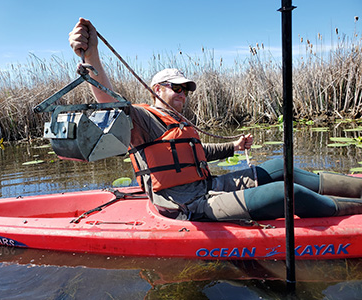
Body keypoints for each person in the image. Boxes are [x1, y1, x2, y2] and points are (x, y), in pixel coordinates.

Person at [68, 18, 362, 221]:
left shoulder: (178, 121)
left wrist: (233, 147)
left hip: (209, 186)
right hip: (189, 205)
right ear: (157, 89)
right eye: (176, 87)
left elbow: (197, 154)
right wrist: (92, 54)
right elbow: (110, 104)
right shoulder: (143, 119)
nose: (183, 93)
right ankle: (355, 211)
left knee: (282, 167)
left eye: (186, 89)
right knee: (286, 194)